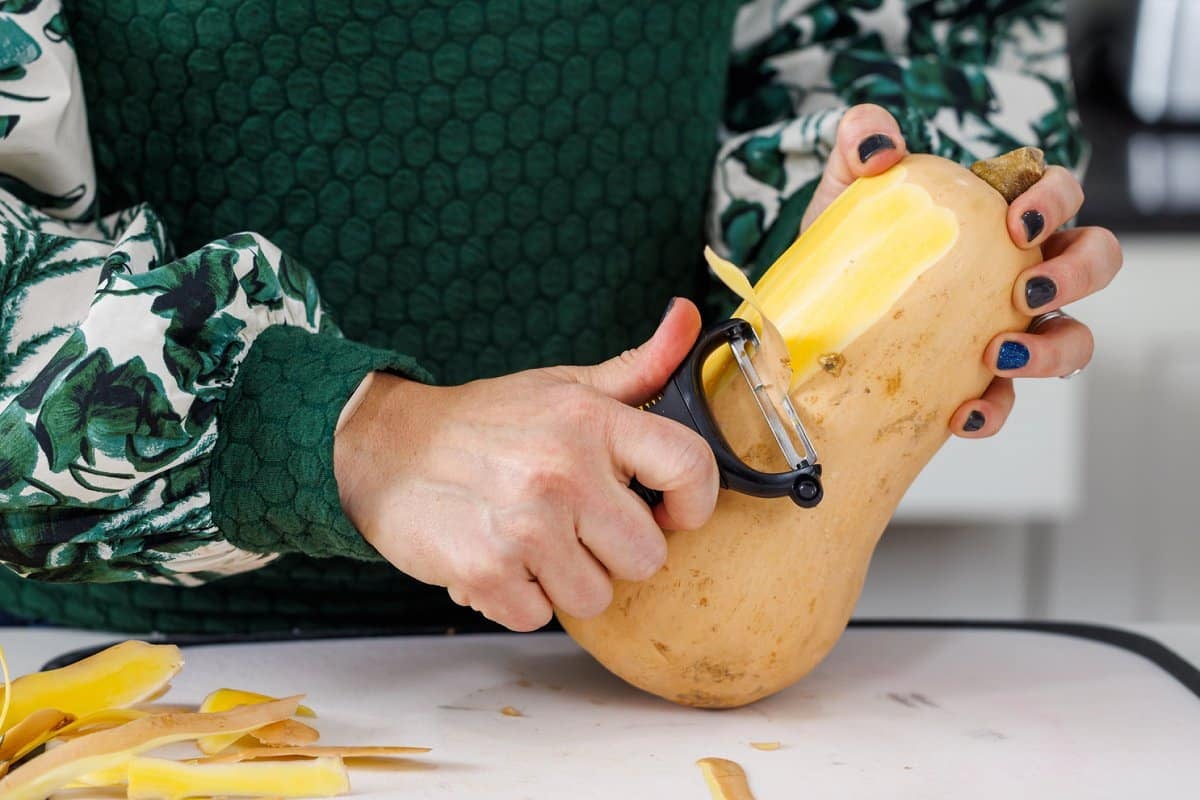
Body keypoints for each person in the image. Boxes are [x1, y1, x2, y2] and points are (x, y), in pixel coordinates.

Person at [0, 1, 1121, 634]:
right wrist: (333, 433)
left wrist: (855, 237)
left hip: (632, 640)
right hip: (108, 669)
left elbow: (896, 33)